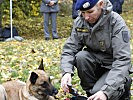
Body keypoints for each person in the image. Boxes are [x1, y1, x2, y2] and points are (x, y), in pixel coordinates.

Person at [60, 0, 132, 100]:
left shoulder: (115, 22)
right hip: (95, 63)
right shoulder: (80, 22)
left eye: (90, 12)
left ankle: (122, 89)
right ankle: (91, 95)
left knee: (101, 91)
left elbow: (122, 60)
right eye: (83, 12)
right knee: (81, 57)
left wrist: (106, 92)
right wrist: (66, 72)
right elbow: (69, 49)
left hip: (113, 67)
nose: (86, 17)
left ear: (101, 4)